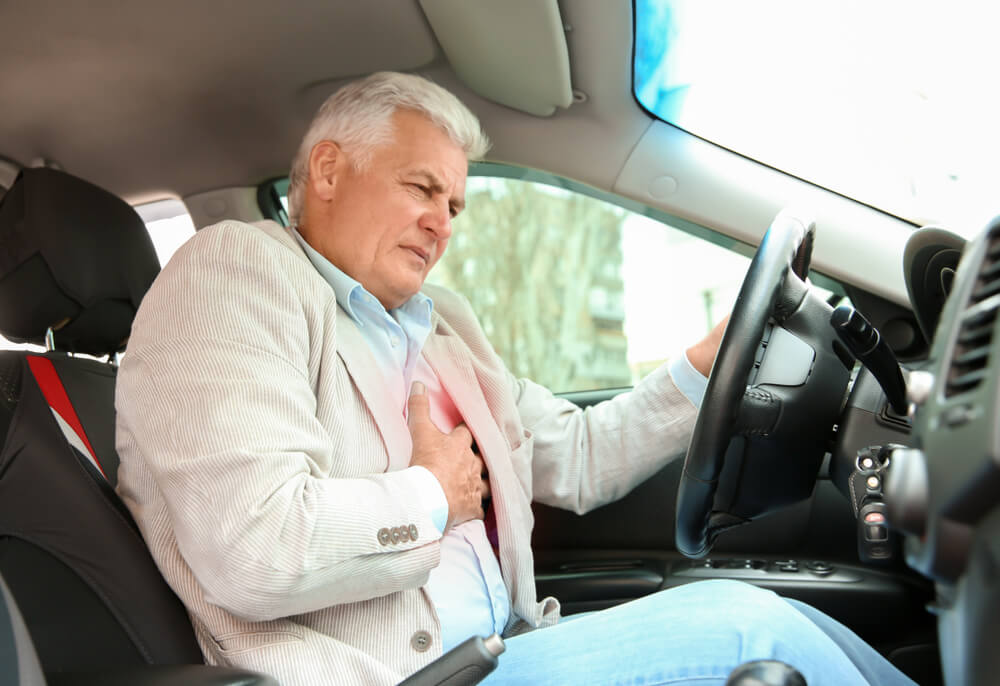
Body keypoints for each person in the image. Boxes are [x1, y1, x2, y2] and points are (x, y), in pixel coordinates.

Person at [115, 71, 916, 686]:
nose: (442, 221)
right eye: (421, 188)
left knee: (776, 616)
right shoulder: (236, 272)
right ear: (327, 171)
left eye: (456, 205)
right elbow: (255, 548)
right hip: (403, 678)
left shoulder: (440, 324)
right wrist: (431, 493)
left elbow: (575, 454)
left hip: (504, 649)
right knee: (752, 632)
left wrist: (703, 366)